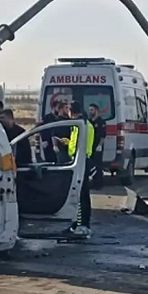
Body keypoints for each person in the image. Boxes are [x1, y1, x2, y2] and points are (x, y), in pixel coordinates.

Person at [58, 101, 94, 238]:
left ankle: (82, 224)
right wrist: (68, 143)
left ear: (71, 111)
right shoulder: (83, 123)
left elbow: (82, 143)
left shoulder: (80, 125)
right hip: (79, 159)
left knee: (80, 194)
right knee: (80, 193)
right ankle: (77, 224)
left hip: (81, 160)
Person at [88, 103, 107, 189]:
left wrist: (100, 145)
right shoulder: (89, 121)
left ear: (96, 110)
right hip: (90, 147)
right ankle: (92, 183)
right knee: (91, 166)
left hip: (97, 147)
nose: (90, 111)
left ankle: (99, 184)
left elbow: (103, 135)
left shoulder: (101, 122)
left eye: (92, 110)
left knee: (98, 166)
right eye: (89, 110)